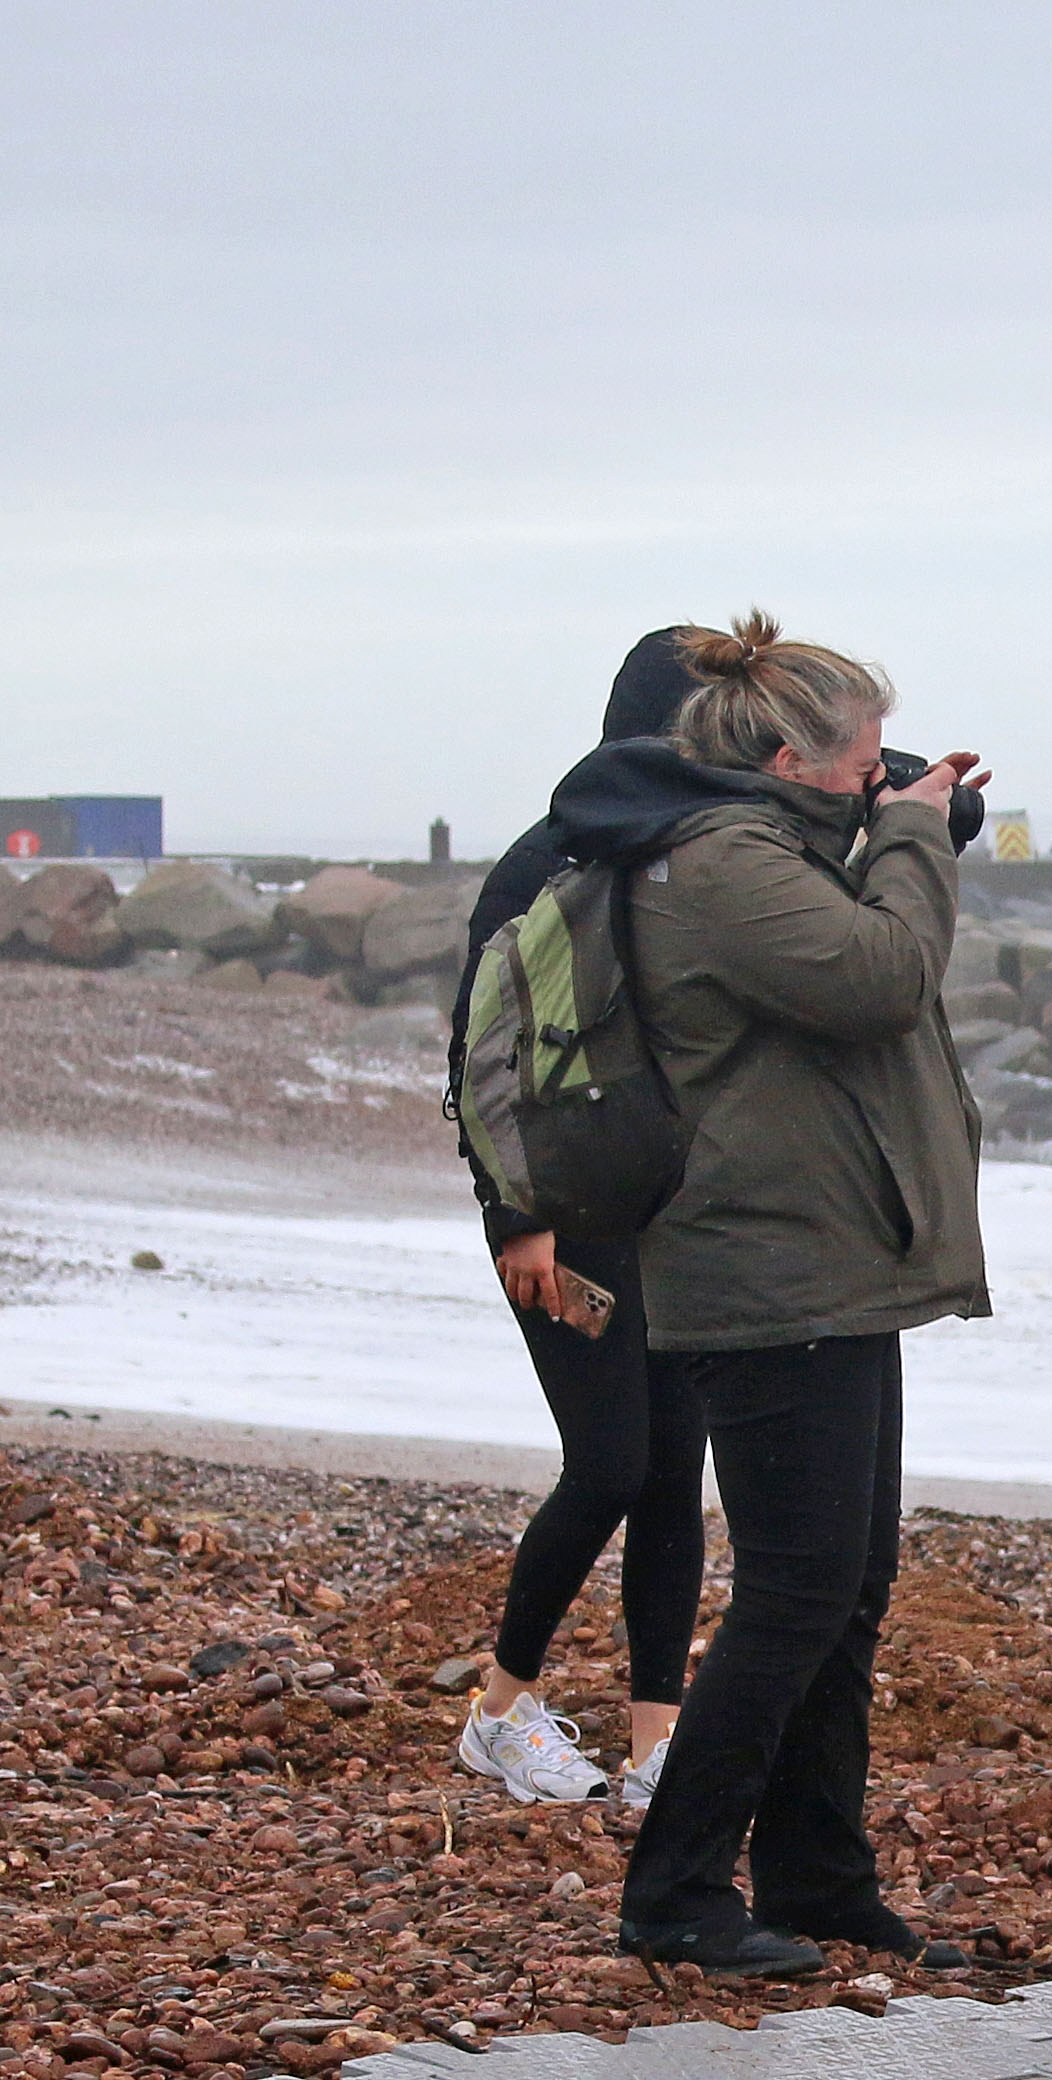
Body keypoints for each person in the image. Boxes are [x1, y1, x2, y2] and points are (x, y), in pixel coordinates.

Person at [549, 614, 995, 1977]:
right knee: (797, 1587)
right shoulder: (716, 860)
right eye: (862, 758)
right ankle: (675, 1888)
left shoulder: (752, 841)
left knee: (845, 1582)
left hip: (831, 1251)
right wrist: (912, 838)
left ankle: (814, 1871)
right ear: (790, 756)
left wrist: (910, 819)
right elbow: (877, 975)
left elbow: (842, 921)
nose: (878, 777)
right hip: (766, 1258)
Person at [444, 628, 717, 1811]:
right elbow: (482, 1054)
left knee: (673, 1473)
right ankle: (499, 1714)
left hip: (674, 1205)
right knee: (609, 1462)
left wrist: (927, 800)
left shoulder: (695, 841)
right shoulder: (549, 857)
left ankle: (656, 1743)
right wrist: (516, 1219)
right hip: (561, 1207)